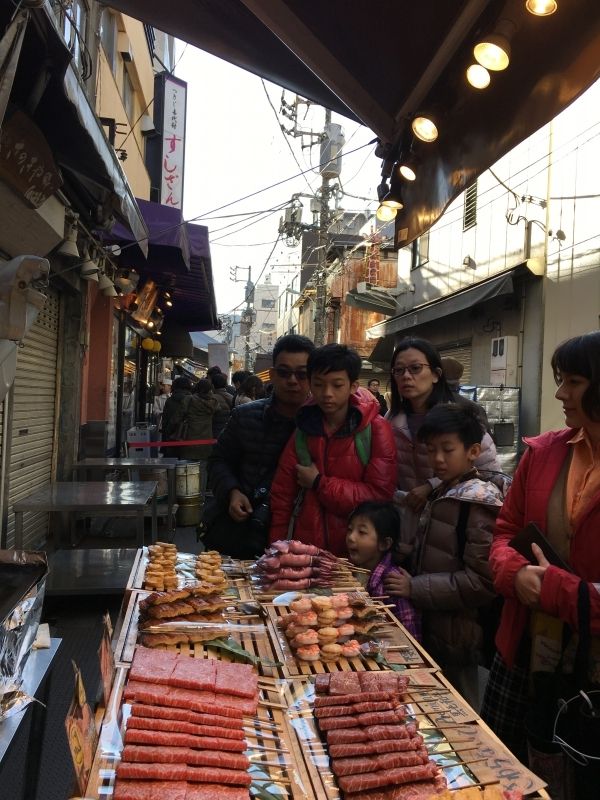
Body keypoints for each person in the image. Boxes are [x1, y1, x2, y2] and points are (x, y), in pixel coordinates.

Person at [480, 331, 600, 797]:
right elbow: (504, 532)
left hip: (590, 674)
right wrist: (514, 574)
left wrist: (551, 588)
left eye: (574, 381)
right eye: (559, 379)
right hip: (523, 647)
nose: (559, 394)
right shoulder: (545, 451)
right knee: (500, 771)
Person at [384, 403, 508, 709]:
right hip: (434, 629)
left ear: (473, 451)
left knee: (459, 713)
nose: (437, 459)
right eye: (431, 450)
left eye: (447, 450)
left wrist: (416, 588)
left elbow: (482, 582)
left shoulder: (478, 502)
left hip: (459, 637)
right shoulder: (444, 492)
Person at [269, 344, 396, 556]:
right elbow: (282, 496)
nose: (327, 394)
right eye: (318, 384)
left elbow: (380, 496)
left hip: (356, 555)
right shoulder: (303, 429)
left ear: (353, 386)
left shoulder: (376, 429)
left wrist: (320, 483)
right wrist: (278, 550)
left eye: (337, 385)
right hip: (306, 553)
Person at [204, 334, 315, 558]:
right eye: (284, 372)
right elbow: (218, 460)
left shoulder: (325, 425)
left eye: (302, 374)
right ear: (272, 375)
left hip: (302, 539)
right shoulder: (245, 416)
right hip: (243, 533)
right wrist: (232, 492)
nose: (293, 380)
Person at [386, 337, 500, 521]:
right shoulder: (390, 420)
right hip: (407, 521)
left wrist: (433, 486)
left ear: (436, 374)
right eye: (399, 370)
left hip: (452, 520)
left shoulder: (462, 416)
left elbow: (490, 474)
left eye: (415, 368)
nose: (406, 376)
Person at [346, 501, 421, 640]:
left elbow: (410, 634)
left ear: (384, 544)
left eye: (361, 532)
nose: (351, 537)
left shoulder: (393, 583)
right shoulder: (349, 572)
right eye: (350, 529)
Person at [178, 378, 218, 462]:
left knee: (189, 467)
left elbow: (179, 415)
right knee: (203, 466)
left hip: (190, 438)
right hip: (206, 439)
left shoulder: (190, 399)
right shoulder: (214, 402)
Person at [161, 376, 193, 456]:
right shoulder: (192, 400)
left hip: (171, 437)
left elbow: (165, 421)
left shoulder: (170, 400)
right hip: (188, 437)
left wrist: (164, 443)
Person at [211, 372, 232, 439]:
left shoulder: (211, 398)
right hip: (228, 431)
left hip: (214, 431)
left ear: (212, 385)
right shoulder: (232, 397)